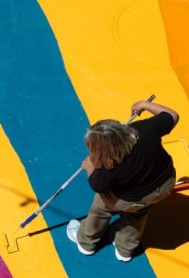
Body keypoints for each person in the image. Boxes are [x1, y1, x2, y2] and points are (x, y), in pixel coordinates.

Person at [66, 99, 179, 262]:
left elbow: (97, 186)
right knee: (139, 214)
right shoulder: (143, 130)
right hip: (164, 185)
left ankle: (86, 242)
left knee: (102, 207)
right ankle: (125, 249)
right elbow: (172, 116)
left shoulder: (107, 166)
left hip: (129, 199)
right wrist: (145, 105)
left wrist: (89, 167)